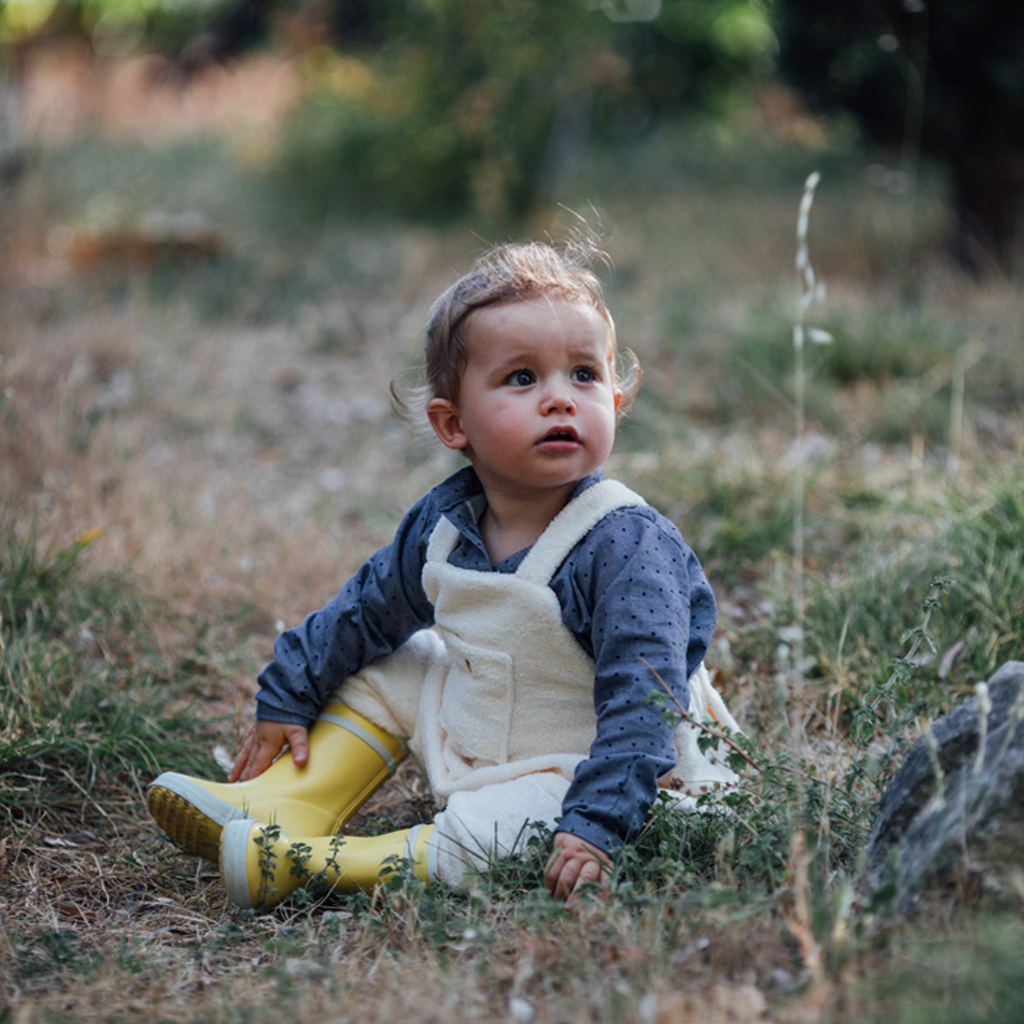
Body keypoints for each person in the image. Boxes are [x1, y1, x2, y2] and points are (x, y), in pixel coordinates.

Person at [147, 239, 741, 911]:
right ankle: (288, 803)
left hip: (600, 767)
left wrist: (597, 823)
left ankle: (319, 864)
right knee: (393, 662)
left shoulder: (626, 545)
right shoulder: (447, 523)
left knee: (501, 832)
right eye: (522, 378)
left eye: (583, 375)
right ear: (452, 423)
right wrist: (290, 690)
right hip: (487, 724)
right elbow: (367, 608)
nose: (560, 401)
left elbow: (646, 697)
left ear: (616, 393)